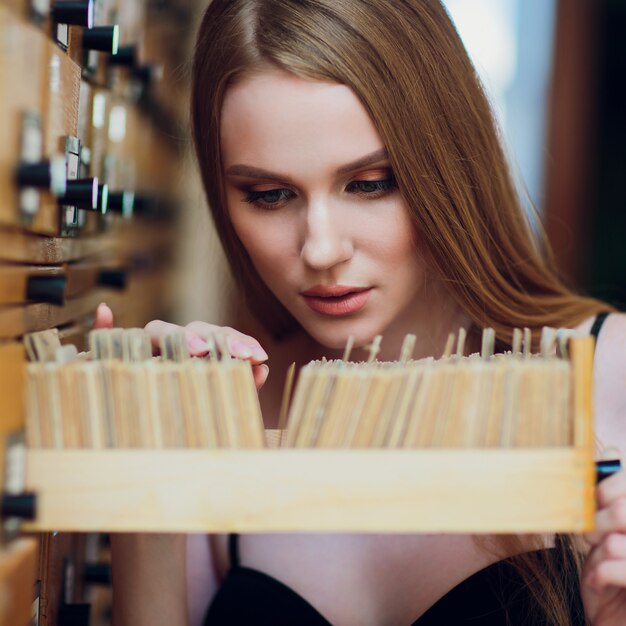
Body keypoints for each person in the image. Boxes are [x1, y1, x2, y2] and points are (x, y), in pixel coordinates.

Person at [104, 1, 626, 624]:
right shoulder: (225, 417)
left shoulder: (611, 376)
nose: (321, 249)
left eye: (371, 182)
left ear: (450, 163)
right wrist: (143, 489)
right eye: (268, 195)